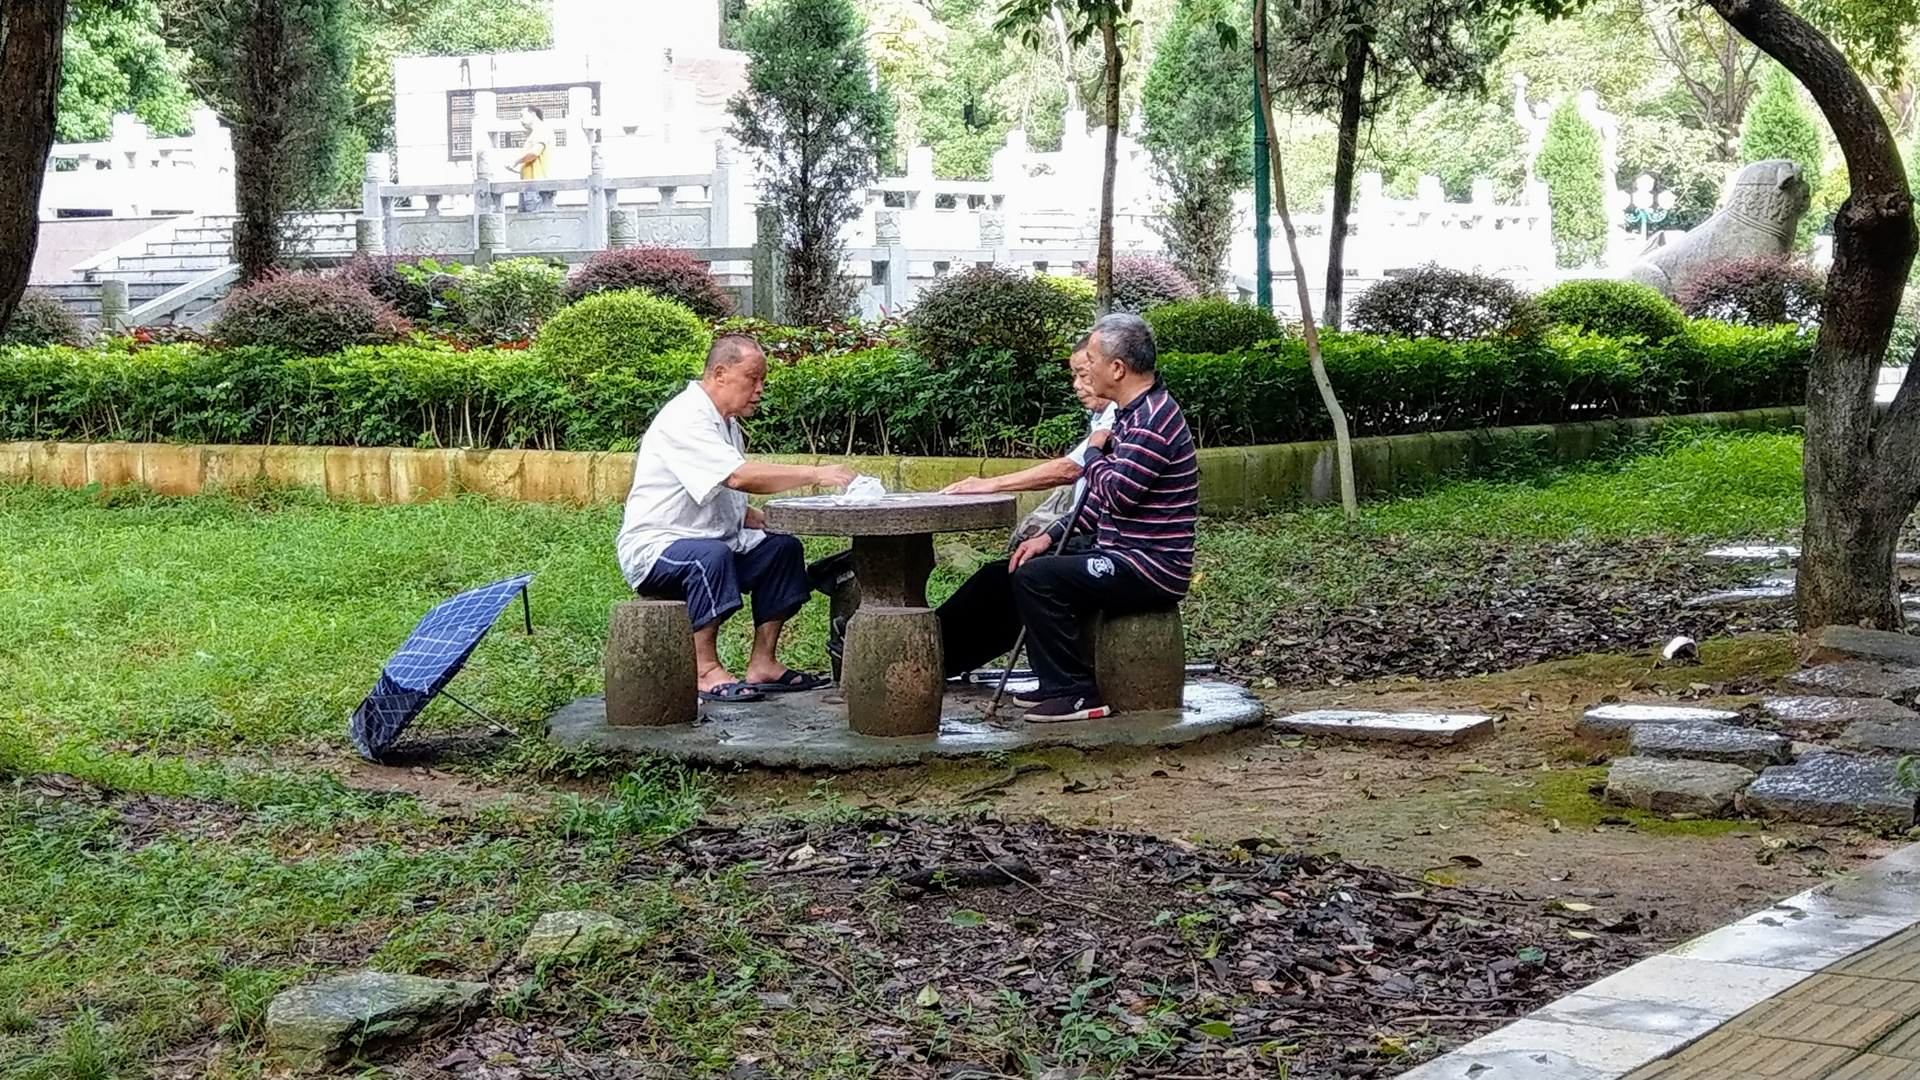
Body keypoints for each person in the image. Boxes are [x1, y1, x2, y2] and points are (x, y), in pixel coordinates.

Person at [935, 313, 1199, 722]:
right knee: (1032, 564)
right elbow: (1098, 500)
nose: (1085, 369)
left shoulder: (1151, 422)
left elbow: (1116, 492)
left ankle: (1076, 692)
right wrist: (1051, 533)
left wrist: (1094, 453)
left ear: (1117, 368)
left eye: (1090, 359)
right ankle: (1052, 680)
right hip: (1121, 553)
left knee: (1038, 580)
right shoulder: (1132, 414)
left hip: (1149, 566)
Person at [615, 334, 855, 703]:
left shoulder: (724, 421)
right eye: (752, 379)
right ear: (721, 373)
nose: (759, 390)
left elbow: (713, 489)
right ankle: (704, 669)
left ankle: (763, 663)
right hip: (657, 547)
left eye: (762, 381)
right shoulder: (686, 418)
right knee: (710, 556)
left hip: (714, 539)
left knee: (782, 550)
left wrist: (748, 514)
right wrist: (815, 473)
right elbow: (738, 476)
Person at [942, 337, 1116, 552]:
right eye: (1075, 376)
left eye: (1083, 376)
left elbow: (1071, 467)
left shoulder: (1120, 417)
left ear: (1111, 371)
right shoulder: (1103, 416)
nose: (1076, 385)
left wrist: (992, 484)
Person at [512, 106, 553, 210]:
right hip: (529, 183)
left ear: (533, 114)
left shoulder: (542, 130)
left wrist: (516, 161)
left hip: (535, 184)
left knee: (534, 220)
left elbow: (535, 152)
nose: (520, 120)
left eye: (522, 116)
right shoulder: (536, 132)